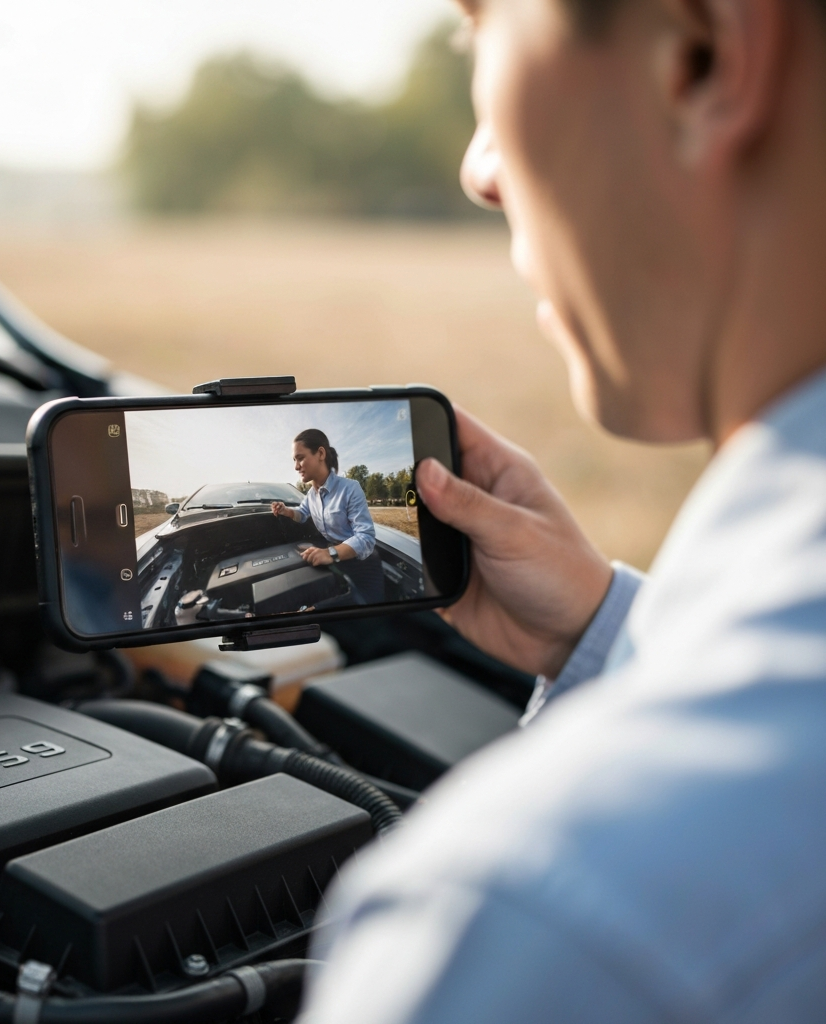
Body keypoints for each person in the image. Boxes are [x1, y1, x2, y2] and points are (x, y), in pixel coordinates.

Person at [300, 0, 826, 1019]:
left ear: (703, 56)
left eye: (479, 29)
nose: (479, 168)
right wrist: (603, 632)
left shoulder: (533, 921)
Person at [271, 428, 384, 604]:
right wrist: (286, 511)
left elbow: (366, 538)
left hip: (362, 567)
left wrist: (330, 553)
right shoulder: (310, 495)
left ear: (321, 453)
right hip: (334, 559)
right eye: (294, 460)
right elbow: (302, 514)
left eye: (300, 458)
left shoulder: (350, 488)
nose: (296, 466)